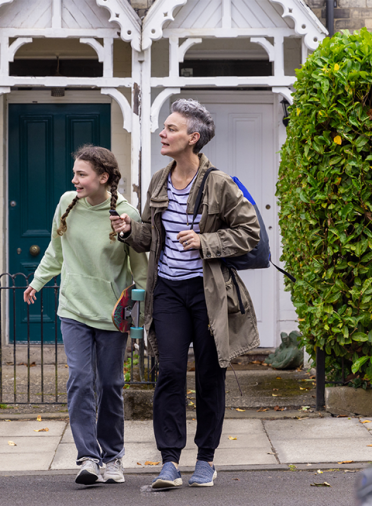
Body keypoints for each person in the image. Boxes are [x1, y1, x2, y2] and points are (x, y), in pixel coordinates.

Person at [111, 99, 260, 488]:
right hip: (169, 292)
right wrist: (129, 230)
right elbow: (149, 239)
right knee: (171, 372)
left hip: (208, 294)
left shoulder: (219, 184)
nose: (163, 133)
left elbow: (250, 233)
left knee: (211, 375)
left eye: (172, 128)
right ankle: (170, 461)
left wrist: (205, 240)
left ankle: (206, 459)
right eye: (164, 127)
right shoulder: (160, 180)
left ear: (193, 138)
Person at [24, 145, 148, 486]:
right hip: (74, 308)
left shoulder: (126, 214)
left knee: (110, 385)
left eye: (82, 174)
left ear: (103, 177)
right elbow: (56, 248)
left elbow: (139, 267)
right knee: (80, 380)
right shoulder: (68, 204)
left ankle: (113, 457)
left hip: (111, 313)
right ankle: (88, 457)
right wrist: (38, 280)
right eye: (75, 173)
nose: (74, 179)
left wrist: (151, 304)